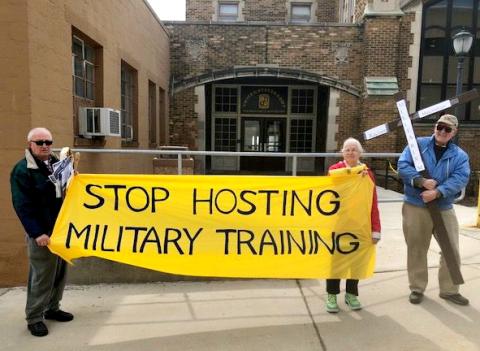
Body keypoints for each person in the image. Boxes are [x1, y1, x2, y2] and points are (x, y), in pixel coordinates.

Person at [398, 114, 470, 306]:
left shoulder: (460, 156)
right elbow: (403, 166)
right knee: (416, 248)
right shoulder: (417, 146)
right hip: (416, 205)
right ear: (435, 127)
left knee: (451, 250)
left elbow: (460, 178)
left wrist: (438, 192)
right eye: (440, 127)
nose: (442, 132)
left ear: (454, 132)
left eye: (447, 129)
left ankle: (449, 290)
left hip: (443, 207)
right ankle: (417, 288)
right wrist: (421, 181)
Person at [10, 127, 74, 337]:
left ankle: (52, 308)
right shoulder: (23, 170)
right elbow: (22, 205)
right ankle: (35, 317)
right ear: (30, 144)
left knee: (59, 272)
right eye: (40, 143)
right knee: (42, 275)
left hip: (61, 229)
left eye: (48, 142)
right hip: (42, 233)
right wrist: (37, 233)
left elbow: (68, 190)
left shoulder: (58, 164)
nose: (45, 146)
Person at [325, 137, 381, 313]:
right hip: (338, 224)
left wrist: (375, 229)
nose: (350, 152)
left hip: (359, 225)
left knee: (356, 261)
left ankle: (351, 294)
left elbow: (373, 202)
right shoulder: (334, 170)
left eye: (354, 149)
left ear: (360, 153)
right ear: (342, 152)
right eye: (347, 149)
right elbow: (329, 188)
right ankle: (332, 295)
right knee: (336, 261)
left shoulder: (367, 174)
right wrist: (353, 175)